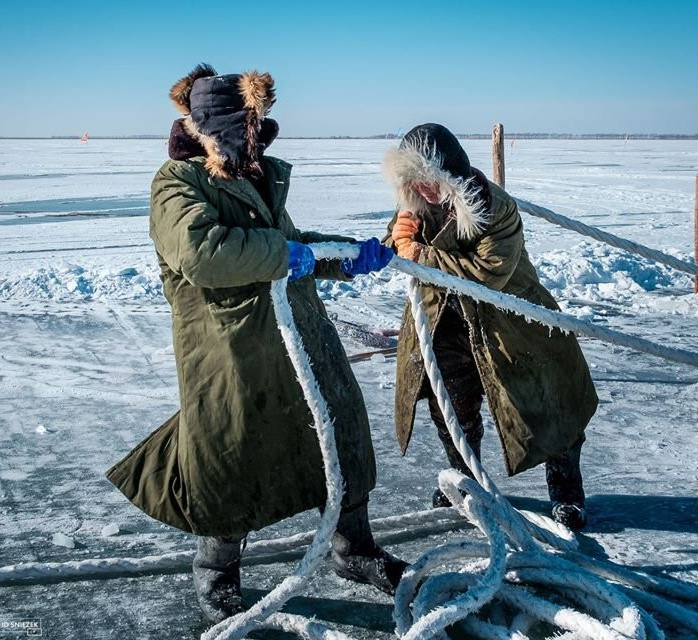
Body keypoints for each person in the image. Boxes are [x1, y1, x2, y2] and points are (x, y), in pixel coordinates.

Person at [105, 64, 404, 625]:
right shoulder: (177, 184)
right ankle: (217, 573)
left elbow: (290, 243)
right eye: (248, 126)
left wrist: (344, 254)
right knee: (229, 453)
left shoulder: (252, 173)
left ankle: (354, 551)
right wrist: (284, 256)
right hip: (228, 347)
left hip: (299, 332)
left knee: (340, 428)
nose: (257, 136)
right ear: (217, 128)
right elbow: (200, 253)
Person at [382, 123, 599, 530]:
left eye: (432, 179)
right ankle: (466, 481)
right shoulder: (414, 204)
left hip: (511, 322)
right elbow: (401, 249)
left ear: (452, 172)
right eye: (415, 181)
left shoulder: (497, 208)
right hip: (441, 321)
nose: (425, 189)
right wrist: (396, 239)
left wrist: (418, 254)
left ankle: (567, 491)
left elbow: (486, 274)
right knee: (450, 406)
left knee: (551, 403)